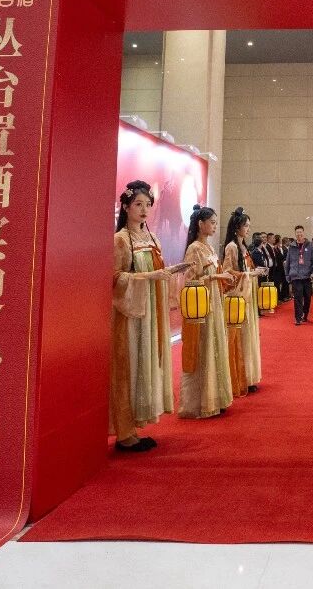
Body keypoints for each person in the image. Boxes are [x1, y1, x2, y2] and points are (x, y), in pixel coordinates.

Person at [110, 181, 188, 452]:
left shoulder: (152, 238)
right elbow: (114, 278)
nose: (144, 210)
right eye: (138, 205)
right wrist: (149, 276)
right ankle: (124, 432)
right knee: (129, 366)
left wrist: (168, 272)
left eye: (148, 205)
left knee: (145, 363)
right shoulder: (121, 239)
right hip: (131, 313)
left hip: (151, 311)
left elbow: (156, 270)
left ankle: (135, 424)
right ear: (126, 207)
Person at [179, 205, 236, 418]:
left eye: (215, 223)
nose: (214, 226)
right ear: (200, 224)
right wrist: (215, 277)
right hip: (203, 305)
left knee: (215, 346)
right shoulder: (194, 248)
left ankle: (216, 397)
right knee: (204, 348)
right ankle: (201, 402)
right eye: (211, 222)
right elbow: (190, 280)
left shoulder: (210, 248)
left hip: (215, 303)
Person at [222, 207, 267, 396]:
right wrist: (249, 274)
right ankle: (240, 377)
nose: (248, 229)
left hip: (247, 296)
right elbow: (227, 272)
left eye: (249, 225)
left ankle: (248, 376)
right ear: (237, 227)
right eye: (245, 225)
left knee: (248, 336)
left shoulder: (243, 247)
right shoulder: (232, 247)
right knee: (240, 338)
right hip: (238, 297)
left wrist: (253, 273)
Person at [285, 225, 313, 324]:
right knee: (297, 297)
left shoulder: (310, 246)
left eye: (300, 232)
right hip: (295, 276)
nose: (299, 234)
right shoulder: (291, 247)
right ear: (295, 234)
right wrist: (287, 275)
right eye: (297, 232)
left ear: (303, 233)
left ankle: (305, 313)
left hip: (307, 276)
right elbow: (287, 262)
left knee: (307, 297)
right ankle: (298, 318)